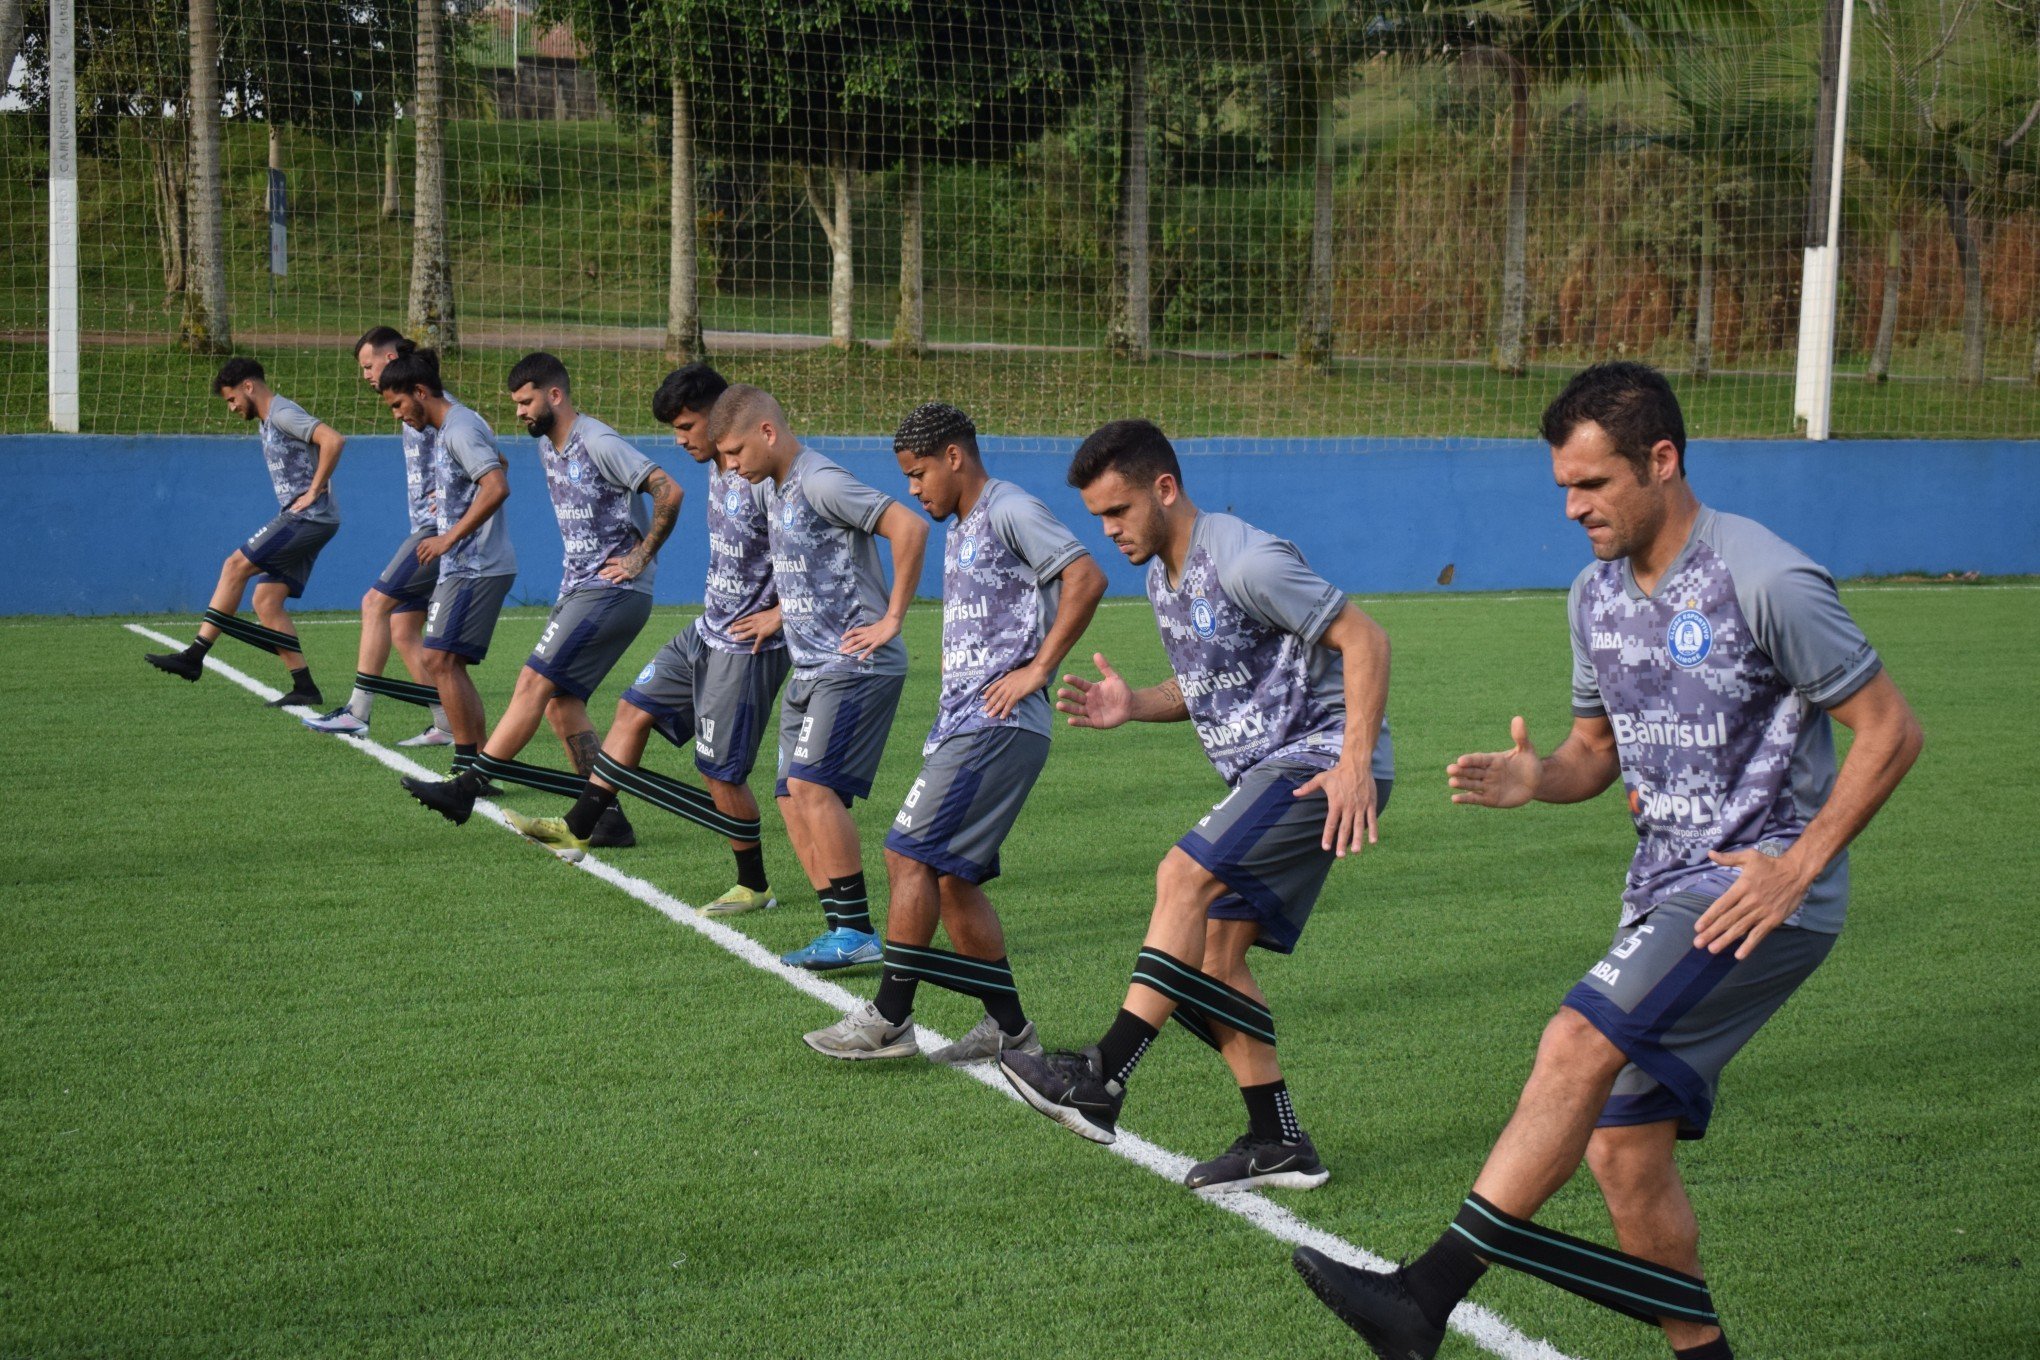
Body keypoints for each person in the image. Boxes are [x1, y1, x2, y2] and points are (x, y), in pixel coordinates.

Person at [1291, 362, 1924, 1360]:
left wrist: (1797, 867)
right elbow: (1596, 756)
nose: (1575, 507)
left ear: (1661, 461)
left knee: (1574, 1044)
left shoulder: (1765, 576)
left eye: (1593, 485)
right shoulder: (1593, 598)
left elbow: (1890, 729)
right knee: (1623, 1151)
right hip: (1661, 891)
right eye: (1565, 489)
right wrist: (1534, 777)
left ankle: (1426, 1296)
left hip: (1751, 891)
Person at [1000, 418, 1394, 1193]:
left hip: (1318, 763)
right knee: (1211, 960)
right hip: (1269, 772)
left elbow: (1366, 639)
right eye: (1098, 518)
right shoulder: (1161, 577)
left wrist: (1352, 763)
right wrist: (1133, 703)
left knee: (1181, 877)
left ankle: (1101, 1077)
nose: (1109, 531)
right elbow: (1212, 681)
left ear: (1164, 489)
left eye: (1118, 512)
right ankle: (1278, 1139)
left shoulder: (1244, 559)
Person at [803, 402, 1106, 1062]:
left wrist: (1038, 670)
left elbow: (1086, 575)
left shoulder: (1006, 508)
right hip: (964, 724)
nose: (914, 490)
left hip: (996, 724)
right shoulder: (966, 523)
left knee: (905, 854)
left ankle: (889, 1018)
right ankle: (1009, 1029)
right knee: (951, 882)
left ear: (953, 457)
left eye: (918, 475)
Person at [506, 364, 792, 916]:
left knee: (719, 772)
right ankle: (579, 827)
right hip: (707, 629)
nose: (681, 440)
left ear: (726, 414)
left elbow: (807, 557)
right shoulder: (719, 469)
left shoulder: (766, 479)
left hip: (748, 645)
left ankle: (754, 883)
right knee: (632, 710)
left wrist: (778, 616)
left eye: (688, 426)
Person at [401, 353, 679, 843]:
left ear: (555, 395)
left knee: (533, 680)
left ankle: (467, 786)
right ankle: (607, 820)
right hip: (580, 588)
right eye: (515, 404)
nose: (519, 412)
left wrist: (640, 556)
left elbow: (668, 490)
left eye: (526, 401)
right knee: (561, 704)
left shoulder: (596, 439)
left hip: (612, 590)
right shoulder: (550, 446)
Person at [712, 383, 928, 970]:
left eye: (735, 453)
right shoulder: (774, 488)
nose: (730, 467)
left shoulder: (819, 479)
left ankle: (856, 933)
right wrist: (782, 613)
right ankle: (840, 927)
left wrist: (891, 619)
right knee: (788, 796)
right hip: (809, 666)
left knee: (811, 787)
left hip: (855, 663)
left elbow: (909, 528)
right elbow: (813, 563)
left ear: (767, 432)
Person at [146, 357, 344, 708]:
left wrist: (314, 491)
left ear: (248, 386)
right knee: (266, 601)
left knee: (234, 566)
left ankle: (194, 655)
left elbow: (333, 440)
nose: (232, 407)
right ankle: (305, 688)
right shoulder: (266, 423)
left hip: (308, 517)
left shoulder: (282, 413)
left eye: (232, 399)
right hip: (311, 518)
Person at [303, 327, 457, 746]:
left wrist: (451, 527)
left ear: (391, 358)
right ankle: (446, 724)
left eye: (369, 366)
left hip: (439, 532)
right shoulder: (410, 405)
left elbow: (490, 466)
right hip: (430, 529)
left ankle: (357, 712)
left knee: (374, 603)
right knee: (404, 627)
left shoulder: (436, 410)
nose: (366, 376)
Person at [373, 351, 518, 783]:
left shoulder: (458, 427)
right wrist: (453, 497)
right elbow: (498, 464)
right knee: (444, 662)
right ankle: (475, 767)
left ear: (421, 392)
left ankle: (468, 765)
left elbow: (496, 485)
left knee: (438, 660)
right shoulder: (452, 428)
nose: (398, 415)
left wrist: (448, 536)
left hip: (476, 563)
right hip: (465, 564)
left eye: (399, 405)